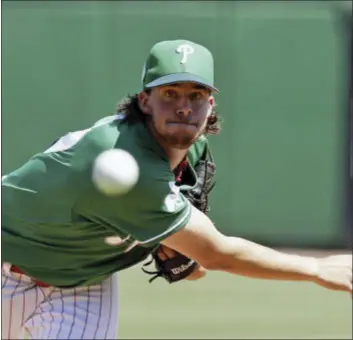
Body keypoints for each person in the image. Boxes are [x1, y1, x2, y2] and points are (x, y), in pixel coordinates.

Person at [2, 39, 352, 340]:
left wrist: (180, 250)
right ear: (144, 101)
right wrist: (316, 270)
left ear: (210, 105)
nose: (184, 106)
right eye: (170, 93)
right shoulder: (125, 160)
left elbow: (195, 261)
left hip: (82, 284)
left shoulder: (191, 150)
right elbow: (216, 255)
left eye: (196, 95)